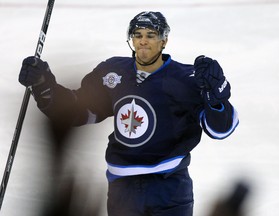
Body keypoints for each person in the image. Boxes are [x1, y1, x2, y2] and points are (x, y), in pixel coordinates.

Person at [19, 11, 239, 216]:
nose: (143, 40)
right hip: (122, 190)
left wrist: (216, 101)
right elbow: (76, 111)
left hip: (169, 187)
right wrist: (43, 83)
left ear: (164, 41)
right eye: (138, 34)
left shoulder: (186, 78)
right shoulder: (112, 72)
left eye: (151, 35)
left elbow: (221, 129)